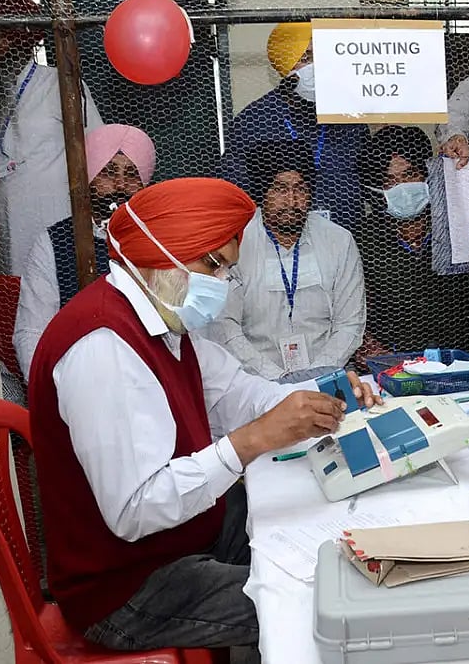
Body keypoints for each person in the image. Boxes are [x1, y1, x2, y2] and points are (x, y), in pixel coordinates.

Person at [26, 177, 381, 651]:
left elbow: (240, 392)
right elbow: (135, 510)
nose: (222, 283)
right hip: (127, 586)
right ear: (161, 255)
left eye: (227, 270)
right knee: (314, 604)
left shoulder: (163, 320)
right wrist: (253, 440)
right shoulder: (103, 348)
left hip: (187, 532)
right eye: (213, 265)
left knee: (327, 542)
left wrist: (319, 396)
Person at [353, 125, 469, 368]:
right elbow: (351, 324)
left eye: (409, 176)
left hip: (464, 365)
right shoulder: (362, 239)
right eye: (390, 181)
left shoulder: (463, 227)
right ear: (378, 190)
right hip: (392, 373)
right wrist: (395, 369)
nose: (402, 188)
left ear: (427, 176)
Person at [0, 0, 103, 275]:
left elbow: (99, 151)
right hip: (8, 222)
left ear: (18, 38)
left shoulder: (60, 84)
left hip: (59, 218)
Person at [204, 140, 365, 381]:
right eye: (280, 189)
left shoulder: (339, 241)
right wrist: (277, 379)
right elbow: (224, 325)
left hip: (327, 377)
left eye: (300, 189)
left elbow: (350, 323)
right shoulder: (236, 242)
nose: (291, 201)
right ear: (262, 192)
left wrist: (316, 378)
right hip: (252, 382)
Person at [13, 123, 155, 379]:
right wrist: (56, 391)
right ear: (88, 178)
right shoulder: (53, 243)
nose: (121, 184)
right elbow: (31, 333)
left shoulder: (161, 242)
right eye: (109, 172)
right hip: (76, 378)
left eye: (132, 174)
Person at [219, 23, 367, 229]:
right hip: (279, 242)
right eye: (306, 58)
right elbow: (235, 194)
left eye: (321, 58)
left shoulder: (349, 118)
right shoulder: (252, 121)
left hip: (345, 240)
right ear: (285, 63)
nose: (316, 67)